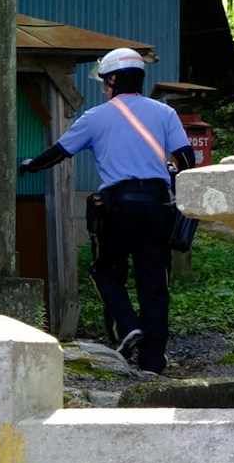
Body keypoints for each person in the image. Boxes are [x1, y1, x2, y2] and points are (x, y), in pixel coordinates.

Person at [19, 48, 197, 373]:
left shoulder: (95, 117)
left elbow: (58, 152)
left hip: (118, 207)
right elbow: (186, 160)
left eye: (104, 81)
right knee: (154, 283)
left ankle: (128, 326)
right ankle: (152, 363)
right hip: (158, 205)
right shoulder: (165, 113)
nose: (103, 88)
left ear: (114, 79)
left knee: (106, 270)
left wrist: (30, 165)